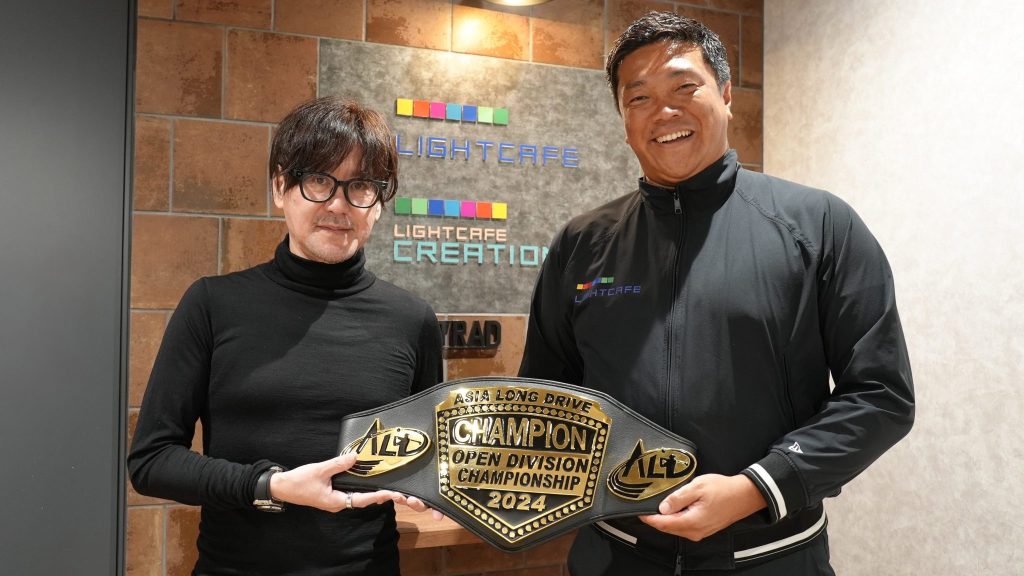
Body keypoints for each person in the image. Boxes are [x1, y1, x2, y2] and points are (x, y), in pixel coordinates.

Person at [518, 12, 914, 575]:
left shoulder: (820, 224)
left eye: (684, 87)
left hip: (770, 558)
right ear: (624, 121)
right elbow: (542, 399)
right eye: (639, 98)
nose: (664, 112)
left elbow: (880, 395)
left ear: (726, 95)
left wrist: (760, 485)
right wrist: (451, 478)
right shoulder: (582, 243)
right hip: (613, 555)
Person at [128, 96, 443, 575]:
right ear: (280, 187)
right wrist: (270, 485)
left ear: (378, 204)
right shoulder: (213, 304)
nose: (338, 204)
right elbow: (152, 461)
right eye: (319, 180)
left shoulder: (412, 319)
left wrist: (431, 487)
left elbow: (425, 457)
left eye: (361, 186)